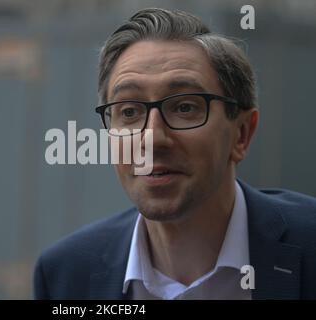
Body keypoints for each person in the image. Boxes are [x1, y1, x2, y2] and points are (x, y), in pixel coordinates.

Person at [33, 8, 316, 299]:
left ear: (241, 134)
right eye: (129, 111)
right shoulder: (66, 277)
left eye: (185, 108)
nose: (153, 138)